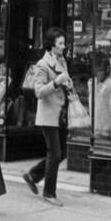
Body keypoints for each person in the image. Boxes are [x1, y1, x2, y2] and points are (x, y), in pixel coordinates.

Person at [23, 27, 73, 206]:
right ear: (52, 45)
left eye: (64, 43)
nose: (64, 46)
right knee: (56, 152)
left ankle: (33, 175)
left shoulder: (62, 61)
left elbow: (64, 82)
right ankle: (49, 192)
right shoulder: (42, 65)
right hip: (48, 115)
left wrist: (68, 84)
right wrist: (56, 82)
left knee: (61, 153)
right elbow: (38, 92)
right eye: (60, 43)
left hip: (61, 114)